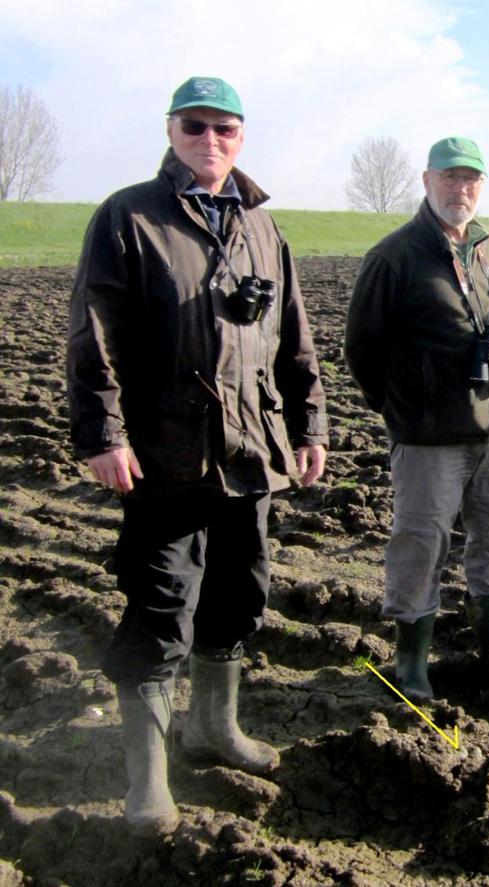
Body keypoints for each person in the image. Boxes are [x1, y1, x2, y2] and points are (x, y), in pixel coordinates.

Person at [66, 76, 328, 834]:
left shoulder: (263, 228)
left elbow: (295, 340)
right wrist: (103, 436)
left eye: (224, 128)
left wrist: (309, 428)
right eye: (194, 125)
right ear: (171, 129)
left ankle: (214, 728)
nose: (209, 139)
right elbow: (95, 334)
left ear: (241, 138)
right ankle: (147, 781)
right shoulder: (129, 216)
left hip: (251, 454)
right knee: (159, 608)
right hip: (164, 456)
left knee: (238, 594)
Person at [344, 136, 489, 702]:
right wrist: (404, 410)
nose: (461, 189)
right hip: (429, 437)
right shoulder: (394, 256)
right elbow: (361, 350)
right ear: (426, 181)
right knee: (421, 544)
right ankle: (410, 663)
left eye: (471, 180)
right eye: (450, 178)